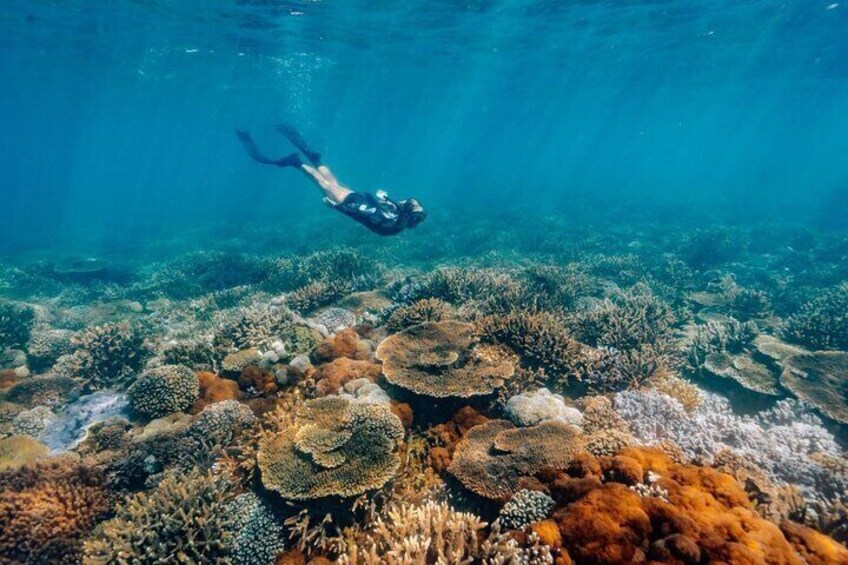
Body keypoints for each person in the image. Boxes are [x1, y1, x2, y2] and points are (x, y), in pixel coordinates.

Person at [236, 125, 426, 236]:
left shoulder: (394, 221)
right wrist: (385, 200)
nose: (402, 201)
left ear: (406, 211)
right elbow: (383, 212)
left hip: (356, 202)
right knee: (327, 183)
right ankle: (296, 162)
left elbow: (360, 215)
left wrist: (336, 206)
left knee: (328, 182)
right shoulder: (399, 221)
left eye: (405, 203)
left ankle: (308, 159)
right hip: (355, 201)